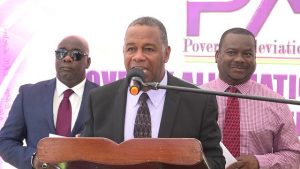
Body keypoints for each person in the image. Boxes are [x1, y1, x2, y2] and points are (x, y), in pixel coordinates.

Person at [80, 16, 225, 168]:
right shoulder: (99, 99)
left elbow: (215, 160)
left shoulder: (199, 101)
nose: (138, 57)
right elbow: (85, 158)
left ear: (166, 54)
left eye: (148, 49)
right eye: (131, 49)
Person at [201, 27, 300, 169]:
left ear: (254, 58)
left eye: (247, 54)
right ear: (217, 56)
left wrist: (259, 163)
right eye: (231, 52)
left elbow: (294, 156)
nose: (239, 59)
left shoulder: (276, 103)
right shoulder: (196, 97)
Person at [0, 35, 99, 169]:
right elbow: (5, 141)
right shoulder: (28, 95)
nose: (67, 58)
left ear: (88, 62)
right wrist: (34, 159)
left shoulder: (103, 98)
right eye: (61, 53)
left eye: (76, 54)